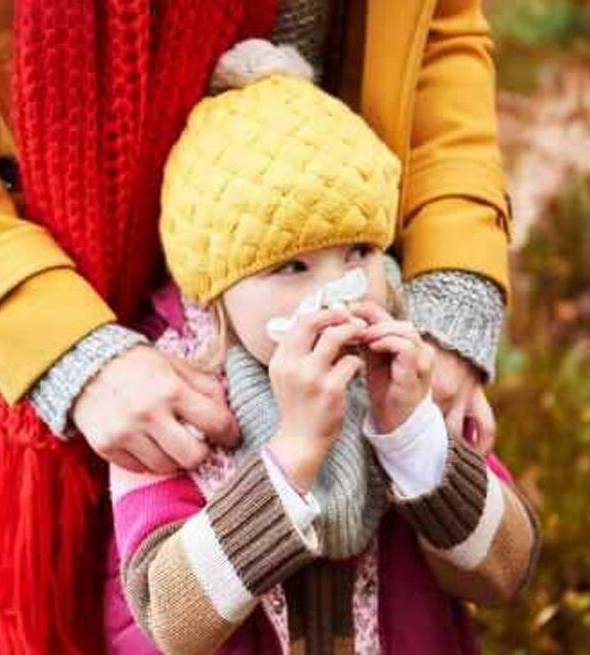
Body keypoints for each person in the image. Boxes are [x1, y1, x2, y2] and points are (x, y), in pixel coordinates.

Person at [0, 0, 514, 650]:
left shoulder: (387, 364)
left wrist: (448, 300)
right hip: (76, 310)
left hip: (347, 209)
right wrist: (68, 353)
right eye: (314, 273)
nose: (332, 294)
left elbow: (438, 31)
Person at [107, 42, 539, 654]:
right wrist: (296, 450)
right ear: (217, 288)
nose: (336, 294)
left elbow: (504, 569)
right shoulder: (170, 391)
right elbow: (174, 621)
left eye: (358, 253)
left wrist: (412, 434)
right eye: (292, 266)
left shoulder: (403, 360)